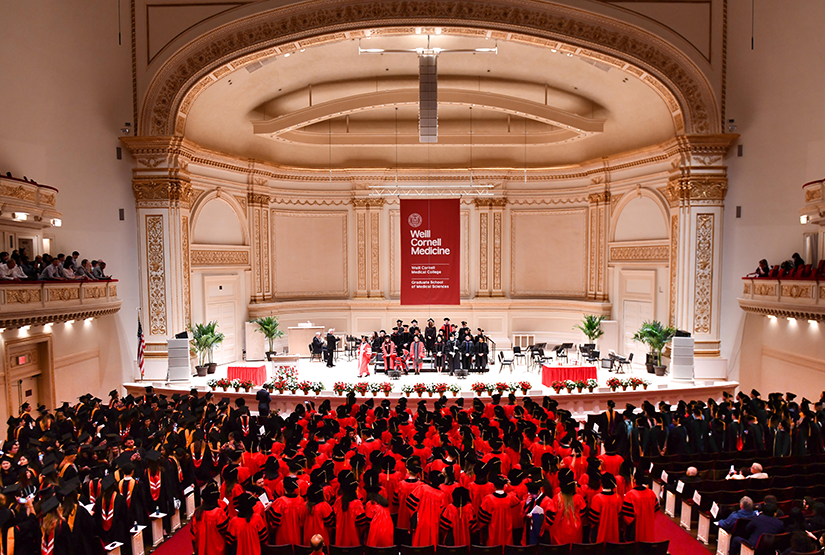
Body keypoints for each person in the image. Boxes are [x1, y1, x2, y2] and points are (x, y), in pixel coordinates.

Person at [191, 482, 228, 555]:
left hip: (202, 550)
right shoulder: (218, 512)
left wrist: (196, 549)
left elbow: (194, 535)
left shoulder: (198, 512)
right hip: (217, 549)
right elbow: (225, 531)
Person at [621, 470, 659, 542]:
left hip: (636, 531)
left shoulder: (630, 495)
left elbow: (627, 518)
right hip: (649, 529)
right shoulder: (651, 493)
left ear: (634, 480)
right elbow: (656, 510)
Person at [588, 473, 623, 543]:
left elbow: (593, 520)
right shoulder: (618, 498)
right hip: (614, 535)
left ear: (602, 483)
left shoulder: (597, 499)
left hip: (599, 535)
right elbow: (619, 517)